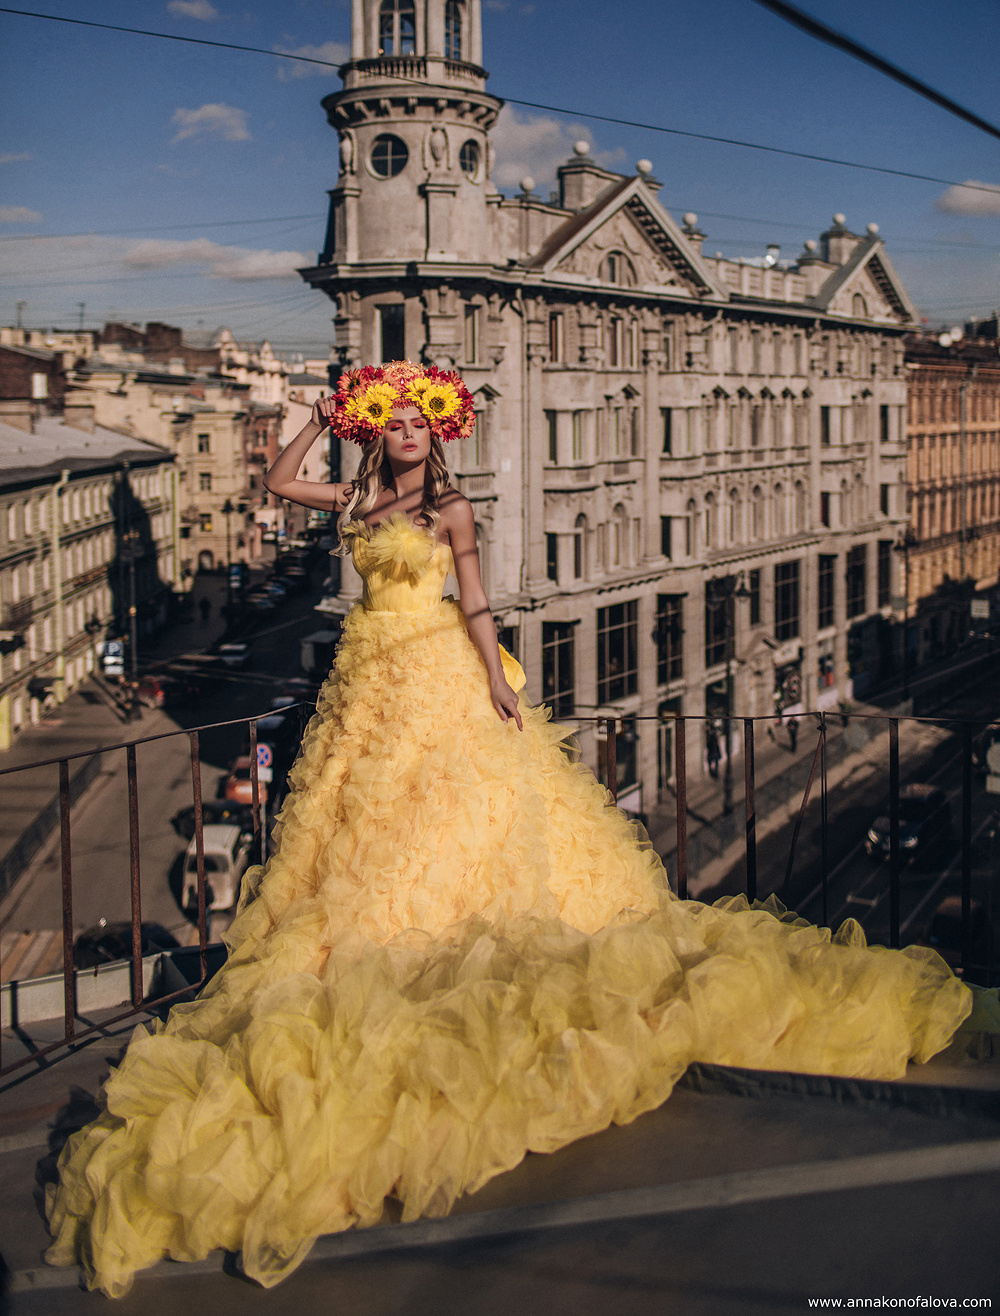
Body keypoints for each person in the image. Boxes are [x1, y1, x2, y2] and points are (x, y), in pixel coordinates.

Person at [45, 360, 977, 1298]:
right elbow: (282, 483)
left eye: (419, 420)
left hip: (440, 670)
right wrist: (318, 417)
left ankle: (449, 941)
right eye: (394, 419)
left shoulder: (453, 510)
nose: (407, 429)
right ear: (379, 430)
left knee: (458, 812)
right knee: (361, 822)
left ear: (438, 433)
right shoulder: (357, 494)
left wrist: (497, 677)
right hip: (370, 681)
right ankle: (370, 951)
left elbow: (476, 600)